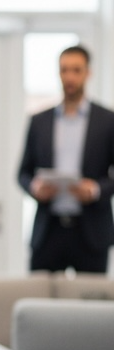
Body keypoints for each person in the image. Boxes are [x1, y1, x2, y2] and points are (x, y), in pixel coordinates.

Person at [18, 45, 114, 274]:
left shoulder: (107, 121)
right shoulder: (39, 121)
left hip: (91, 231)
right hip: (49, 229)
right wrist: (34, 187)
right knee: (41, 302)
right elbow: (23, 172)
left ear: (87, 73)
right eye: (64, 70)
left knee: (90, 304)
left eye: (76, 70)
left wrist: (96, 190)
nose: (69, 77)